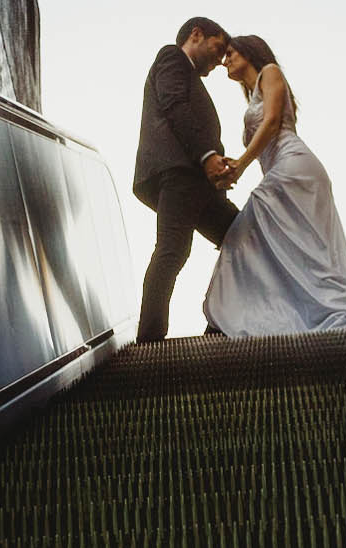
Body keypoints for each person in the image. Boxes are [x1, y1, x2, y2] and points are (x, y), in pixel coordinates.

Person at [201, 34, 346, 337]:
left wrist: (240, 165)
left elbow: (274, 121)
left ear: (249, 53)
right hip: (280, 169)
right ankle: (268, 315)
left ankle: (222, 323)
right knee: (299, 248)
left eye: (231, 54)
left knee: (246, 233)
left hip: (294, 167)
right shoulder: (252, 95)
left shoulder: (271, 72)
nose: (225, 61)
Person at [133, 18, 239, 343]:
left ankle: (220, 322)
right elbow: (175, 107)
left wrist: (216, 163)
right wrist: (208, 156)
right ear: (196, 34)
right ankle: (149, 341)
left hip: (200, 183)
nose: (220, 60)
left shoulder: (189, 73)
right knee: (173, 250)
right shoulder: (172, 58)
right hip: (181, 173)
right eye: (218, 48)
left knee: (241, 237)